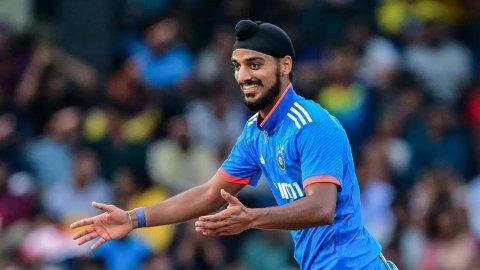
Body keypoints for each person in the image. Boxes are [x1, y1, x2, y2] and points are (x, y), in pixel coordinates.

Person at [70, 20, 397, 270]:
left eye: (255, 64)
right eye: (237, 66)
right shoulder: (256, 132)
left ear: (285, 66)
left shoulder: (311, 124)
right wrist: (133, 219)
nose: (243, 76)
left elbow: (321, 209)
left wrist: (251, 217)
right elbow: (210, 194)